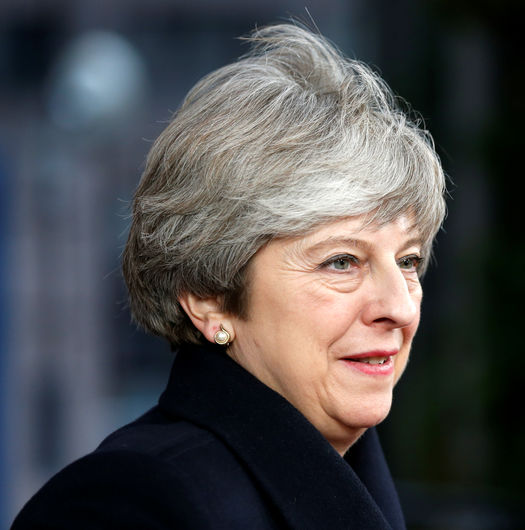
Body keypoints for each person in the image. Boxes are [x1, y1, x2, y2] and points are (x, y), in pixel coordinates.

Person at [12, 23, 446, 529]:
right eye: (341, 262)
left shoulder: (357, 477)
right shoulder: (132, 504)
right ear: (209, 296)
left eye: (408, 261)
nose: (400, 306)